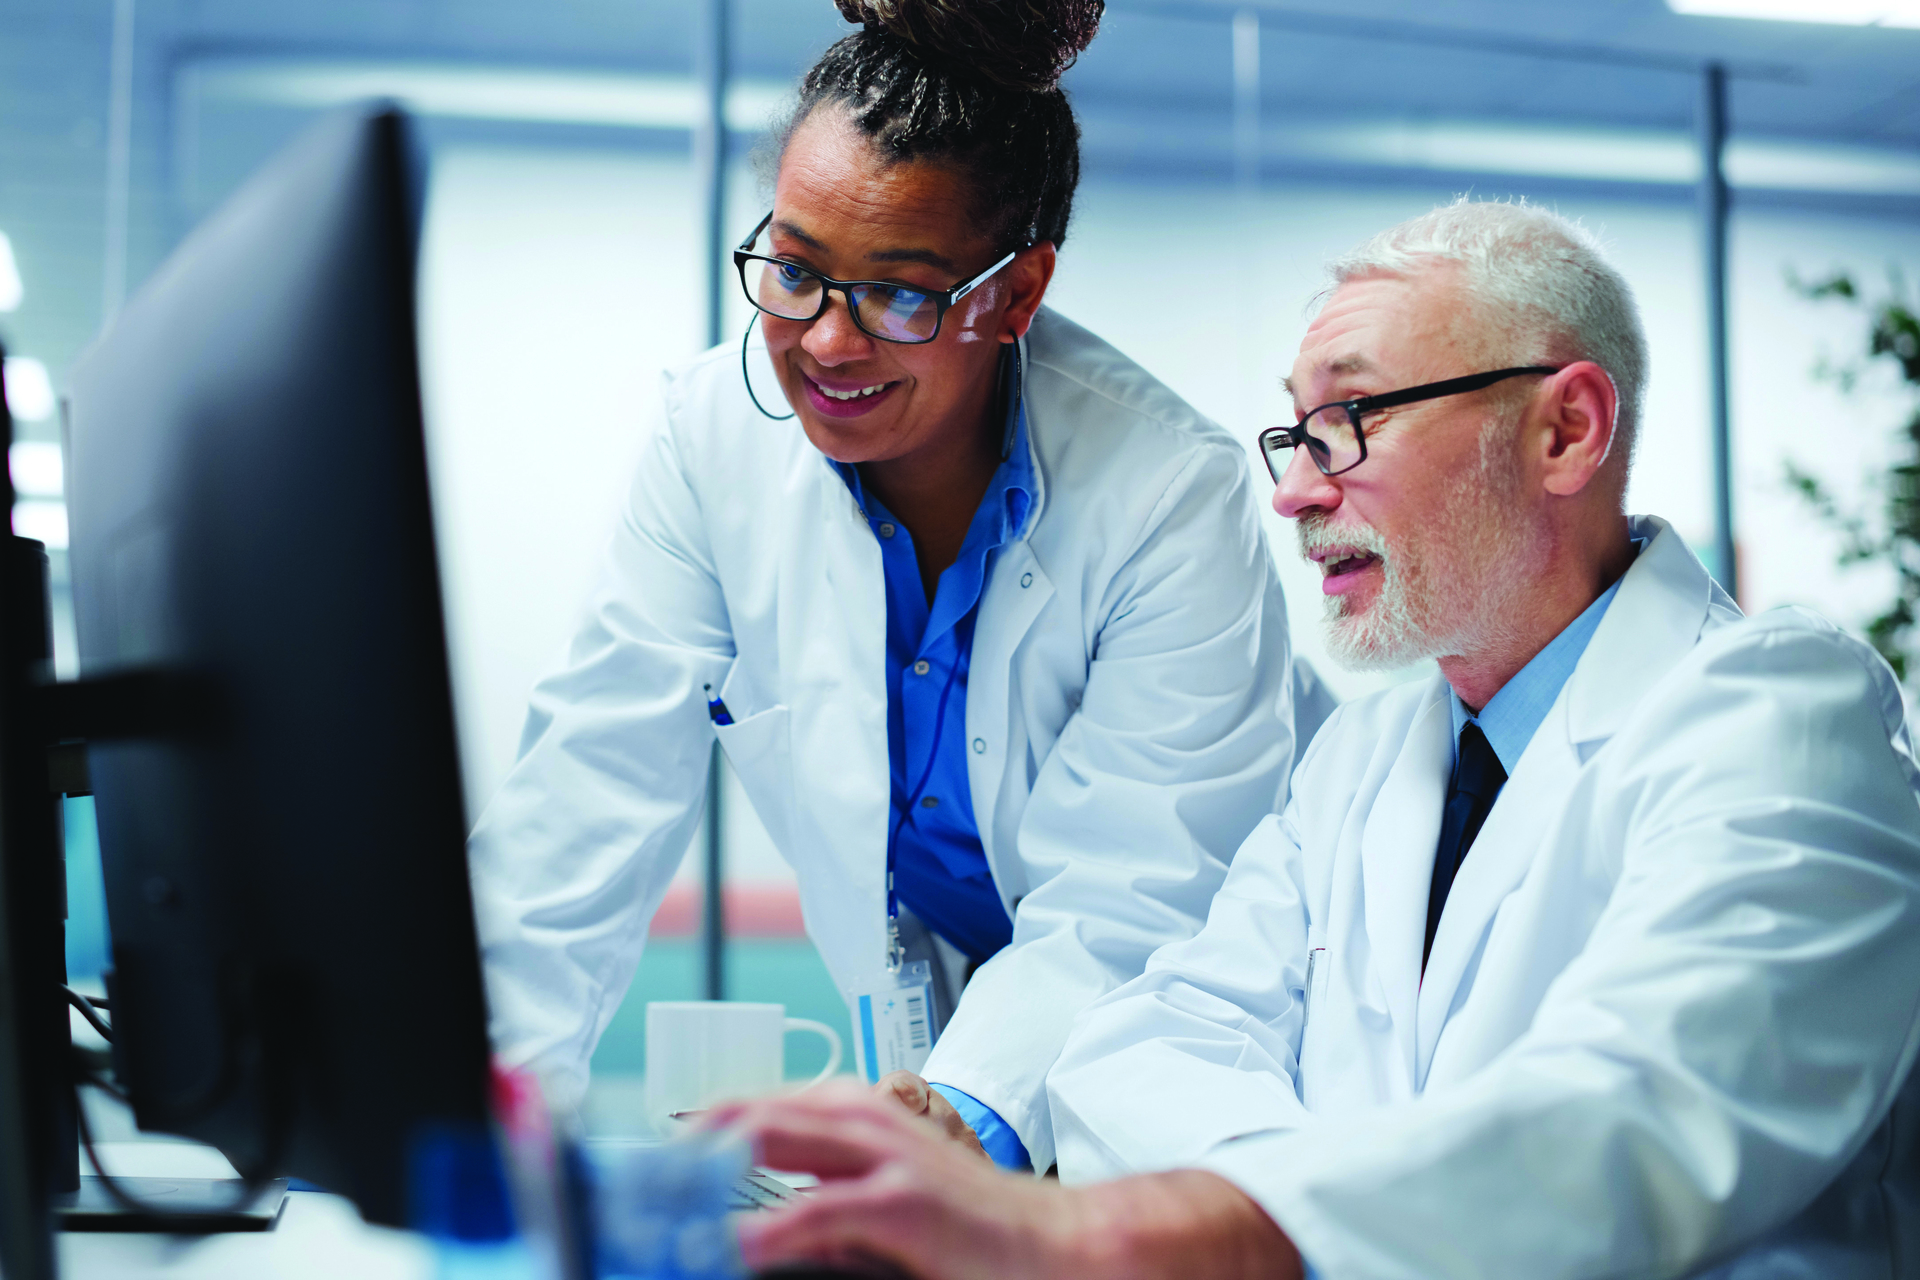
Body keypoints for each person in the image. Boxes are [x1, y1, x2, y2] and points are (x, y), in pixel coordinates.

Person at [714, 200, 1920, 1279]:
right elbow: (1140, 1044)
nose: (1293, 490)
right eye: (1294, 435)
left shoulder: (1785, 721)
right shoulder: (1364, 758)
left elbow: (1642, 1117)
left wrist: (1184, 1225)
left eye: (1351, 418)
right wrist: (1337, 1199)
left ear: (1565, 432)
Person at [467, 0, 1294, 1177]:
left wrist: (958, 1112)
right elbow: (583, 801)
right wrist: (470, 1110)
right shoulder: (712, 440)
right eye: (794, 271)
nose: (825, 342)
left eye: (901, 294)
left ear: (1015, 295)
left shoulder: (1168, 494)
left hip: (1159, 1086)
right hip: (929, 1065)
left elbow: (1136, 895)